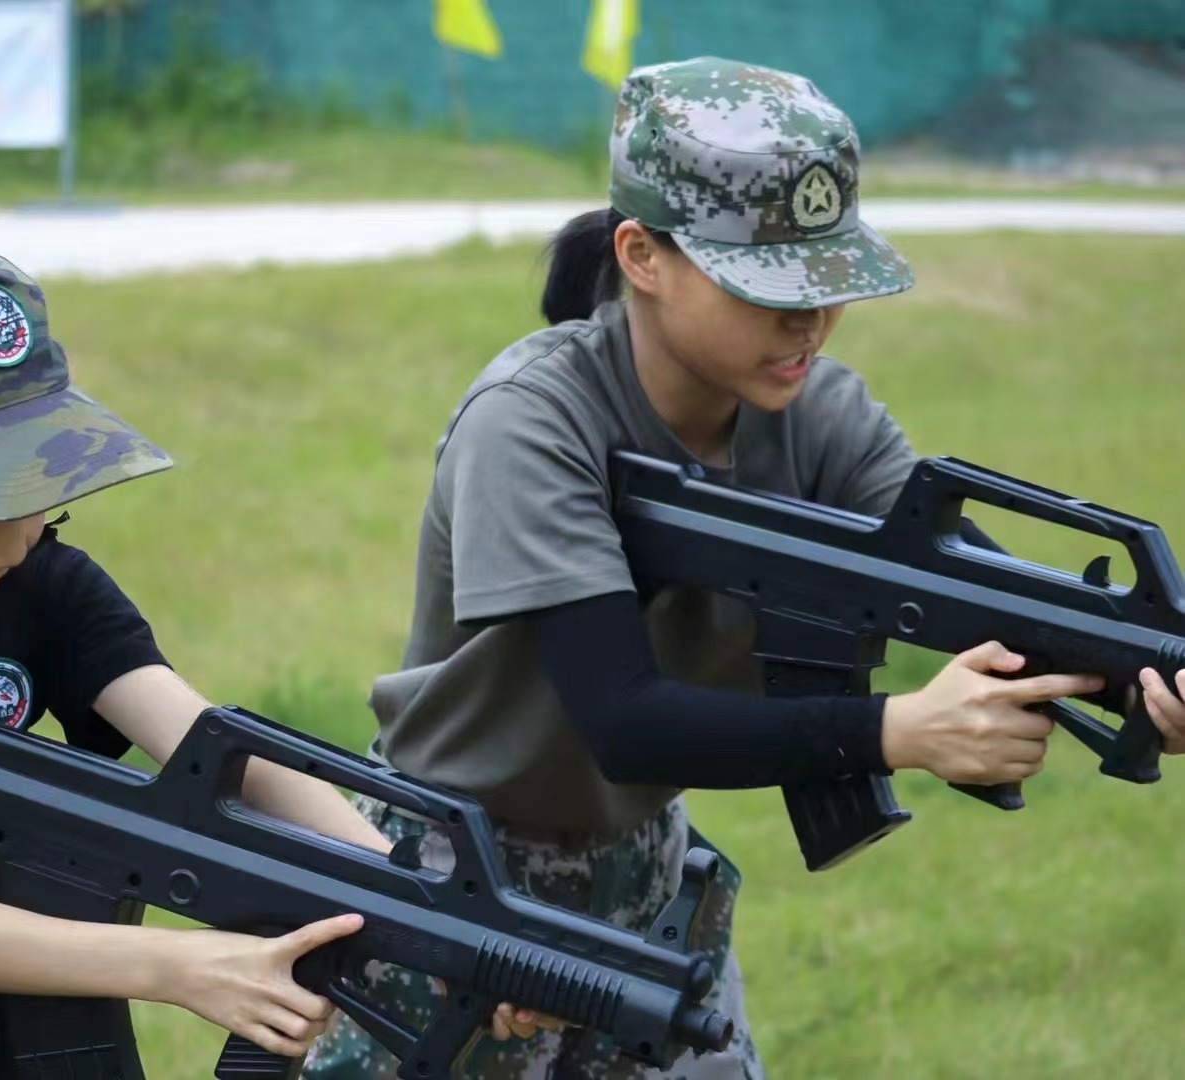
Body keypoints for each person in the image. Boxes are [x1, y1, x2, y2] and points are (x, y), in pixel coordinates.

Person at [301, 56, 1175, 1079]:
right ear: (641, 255)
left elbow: (984, 595)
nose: (808, 322)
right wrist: (897, 731)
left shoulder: (819, 414)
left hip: (650, 875)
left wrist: (1140, 674)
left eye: (827, 282)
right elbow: (625, 720)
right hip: (453, 881)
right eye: (767, 285)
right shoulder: (532, 422)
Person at [0, 243, 543, 1079]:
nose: (13, 540)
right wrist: (182, 966)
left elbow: (220, 755)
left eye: (34, 495)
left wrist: (435, 915)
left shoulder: (34, 582)